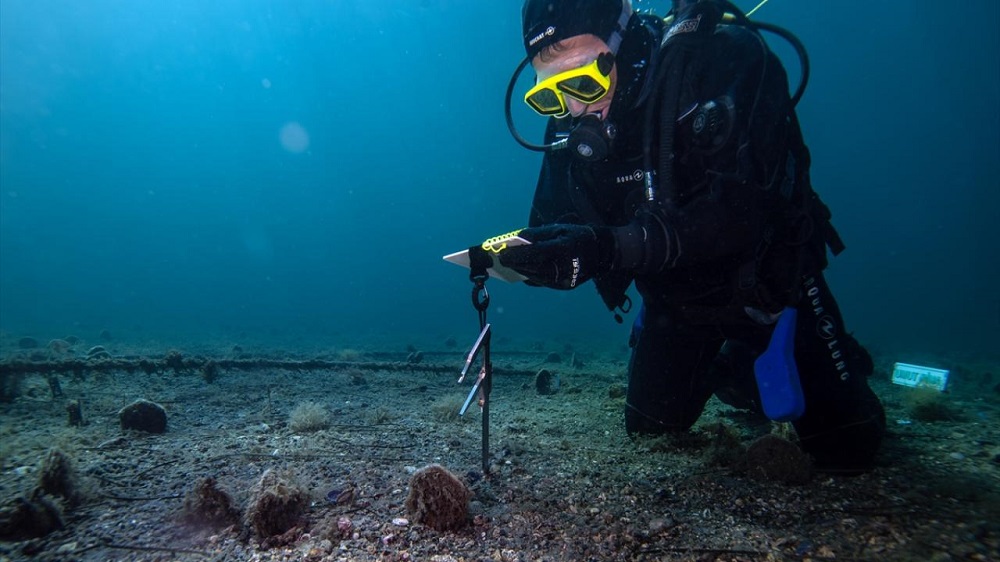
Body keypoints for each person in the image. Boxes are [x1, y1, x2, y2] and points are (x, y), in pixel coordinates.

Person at [475, 0, 885, 473]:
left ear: (623, 40)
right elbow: (555, 220)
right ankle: (732, 370)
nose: (574, 107)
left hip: (773, 291)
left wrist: (609, 247)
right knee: (649, 428)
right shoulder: (570, 120)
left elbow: (743, 213)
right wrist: (541, 258)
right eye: (549, 95)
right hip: (676, 305)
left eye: (584, 83)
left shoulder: (723, 60)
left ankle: (800, 360)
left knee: (849, 450)